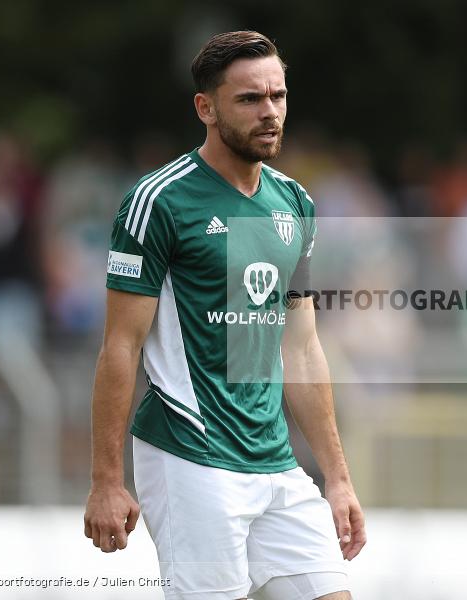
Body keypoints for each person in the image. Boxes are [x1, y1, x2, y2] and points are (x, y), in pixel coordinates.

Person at [83, 31, 365, 600]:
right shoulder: (158, 200)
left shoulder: (295, 203)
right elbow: (120, 345)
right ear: (205, 108)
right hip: (192, 456)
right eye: (250, 99)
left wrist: (336, 476)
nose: (270, 112)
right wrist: (105, 481)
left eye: (278, 97)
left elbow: (302, 348)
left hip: (276, 462)